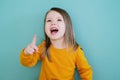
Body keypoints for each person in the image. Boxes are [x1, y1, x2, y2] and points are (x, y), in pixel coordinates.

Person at [20, 7, 92, 80]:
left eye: (59, 20)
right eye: (49, 20)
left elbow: (85, 71)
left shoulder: (75, 50)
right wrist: (27, 52)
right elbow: (28, 63)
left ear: (67, 26)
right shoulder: (44, 47)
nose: (53, 23)